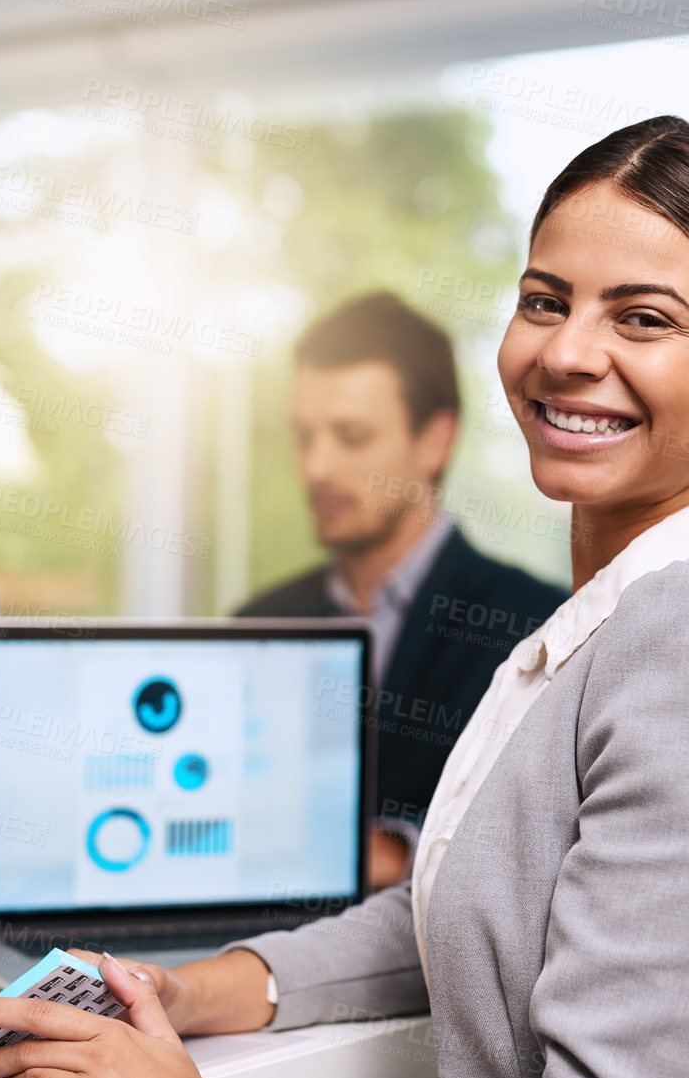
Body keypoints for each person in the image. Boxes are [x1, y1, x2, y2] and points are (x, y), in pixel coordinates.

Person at [0, 117, 689, 1078]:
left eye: (642, 319)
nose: (566, 352)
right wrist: (186, 988)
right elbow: (471, 910)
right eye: (544, 301)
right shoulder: (633, 606)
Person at [236, 291, 565, 887]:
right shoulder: (257, 627)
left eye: (352, 436)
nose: (316, 467)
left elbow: (534, 857)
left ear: (435, 441)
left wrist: (393, 853)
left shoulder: (536, 629)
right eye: (304, 436)